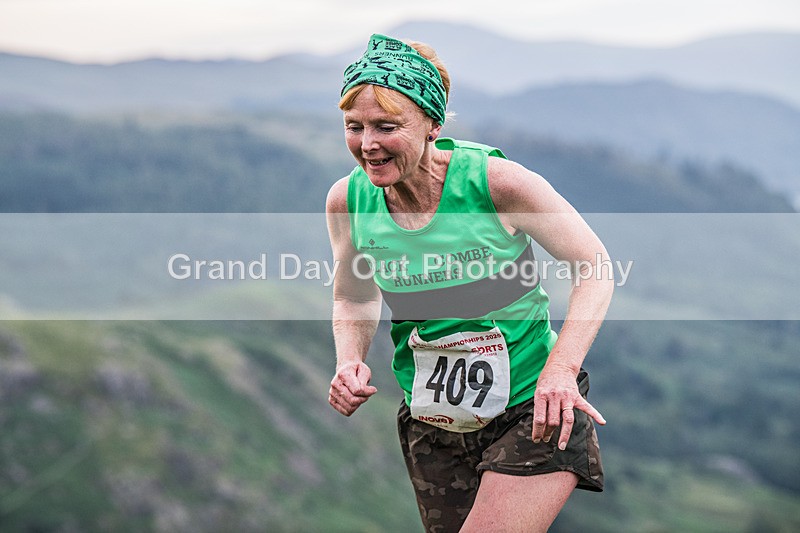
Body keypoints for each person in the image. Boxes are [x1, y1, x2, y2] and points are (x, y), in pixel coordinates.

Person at [326, 33, 613, 533]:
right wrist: (349, 360)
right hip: (433, 425)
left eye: (386, 126)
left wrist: (562, 370)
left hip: (535, 406)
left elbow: (594, 266)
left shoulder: (497, 184)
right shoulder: (348, 201)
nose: (367, 144)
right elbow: (354, 293)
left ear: (432, 124)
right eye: (354, 127)